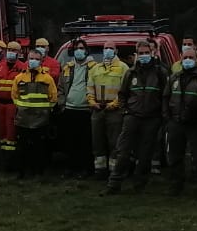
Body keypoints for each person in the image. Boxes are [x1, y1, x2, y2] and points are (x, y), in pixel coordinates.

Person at [104, 40, 163, 195]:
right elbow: (122, 94)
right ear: (137, 54)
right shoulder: (130, 73)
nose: (144, 56)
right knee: (122, 151)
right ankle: (114, 184)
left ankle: (140, 185)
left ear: (152, 53)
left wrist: (160, 116)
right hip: (132, 117)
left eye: (146, 53)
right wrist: (125, 111)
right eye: (141, 53)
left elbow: (165, 96)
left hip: (151, 118)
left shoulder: (160, 73)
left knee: (145, 154)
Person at [164, 46, 197, 198]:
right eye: (185, 58)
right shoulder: (174, 78)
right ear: (181, 59)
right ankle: (175, 186)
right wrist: (168, 117)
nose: (188, 60)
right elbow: (166, 97)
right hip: (175, 123)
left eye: (191, 58)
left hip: (195, 124)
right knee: (175, 156)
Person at [87, 42, 129, 182]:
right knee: (97, 141)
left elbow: (125, 91)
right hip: (97, 109)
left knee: (115, 142)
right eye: (106, 48)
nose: (108, 50)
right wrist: (93, 103)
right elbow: (90, 88)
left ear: (116, 50)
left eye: (111, 48)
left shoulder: (123, 68)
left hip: (115, 111)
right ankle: (100, 171)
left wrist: (114, 104)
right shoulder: (95, 68)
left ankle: (114, 171)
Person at [11, 53, 56, 179]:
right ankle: (21, 172)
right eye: (31, 58)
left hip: (41, 120)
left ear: (41, 61)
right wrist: (21, 108)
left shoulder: (47, 79)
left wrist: (46, 111)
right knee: (22, 147)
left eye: (37, 59)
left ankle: (38, 172)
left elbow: (53, 97)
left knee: (39, 148)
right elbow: (14, 96)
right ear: (27, 60)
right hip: (23, 119)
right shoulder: (19, 78)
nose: (33, 61)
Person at [55, 38, 93, 177]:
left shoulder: (93, 68)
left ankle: (84, 169)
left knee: (85, 142)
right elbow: (60, 88)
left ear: (86, 51)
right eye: (77, 48)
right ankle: (70, 168)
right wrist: (62, 104)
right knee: (69, 142)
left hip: (86, 110)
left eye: (82, 48)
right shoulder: (67, 68)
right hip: (69, 110)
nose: (79, 51)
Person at [0, 41, 22, 168]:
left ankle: (12, 162)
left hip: (12, 105)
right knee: (1, 133)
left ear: (19, 53)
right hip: (0, 105)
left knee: (11, 134)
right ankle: (2, 161)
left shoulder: (23, 67)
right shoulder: (0, 66)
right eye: (9, 49)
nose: (10, 52)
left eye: (14, 50)